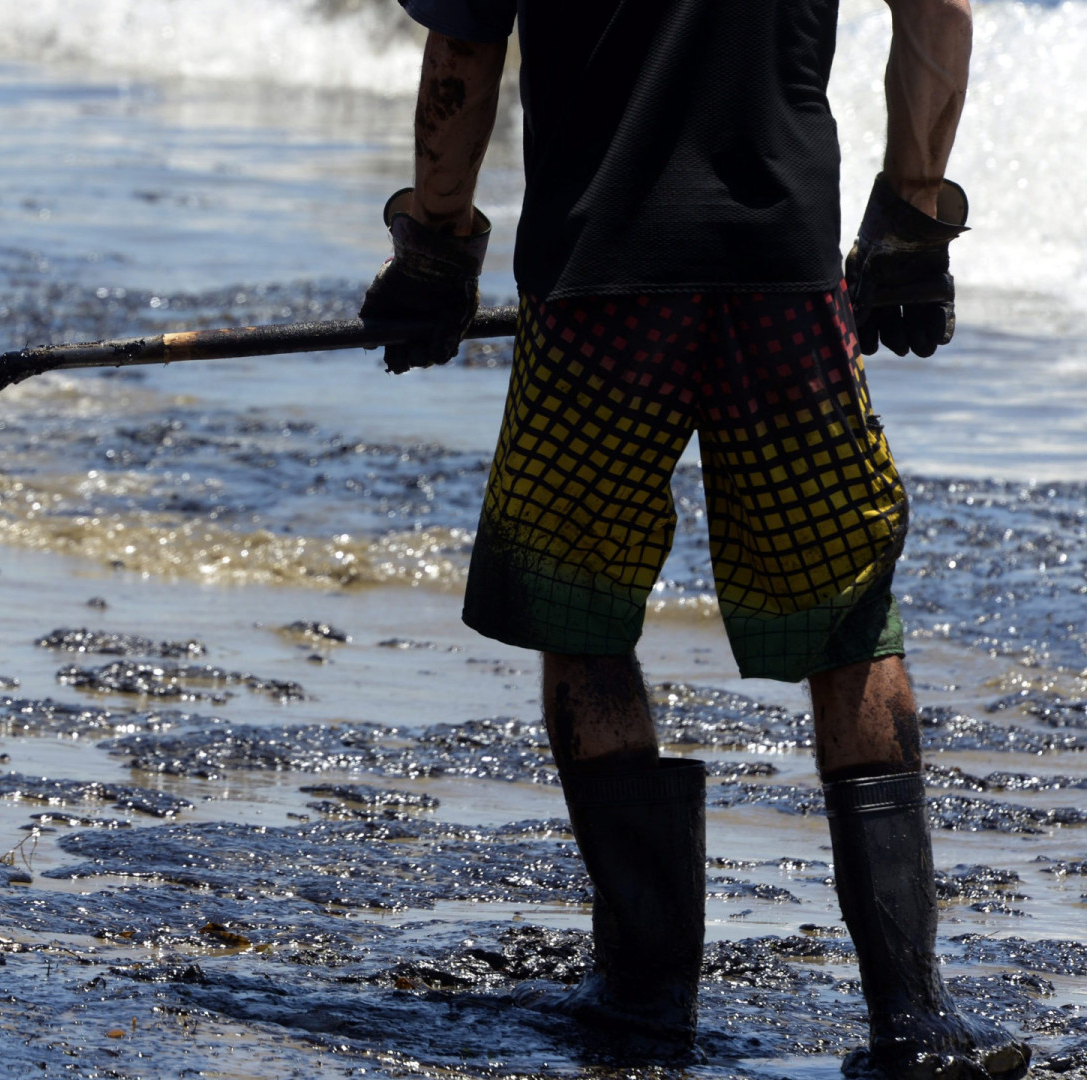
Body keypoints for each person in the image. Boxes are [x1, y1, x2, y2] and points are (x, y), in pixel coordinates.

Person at [361, 0, 1028, 1076]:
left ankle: (642, 999)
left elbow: (466, 48)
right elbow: (939, 10)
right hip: (784, 275)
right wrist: (909, 222)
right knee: (850, 619)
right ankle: (911, 1022)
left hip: (598, 277)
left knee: (582, 613)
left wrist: (434, 249)